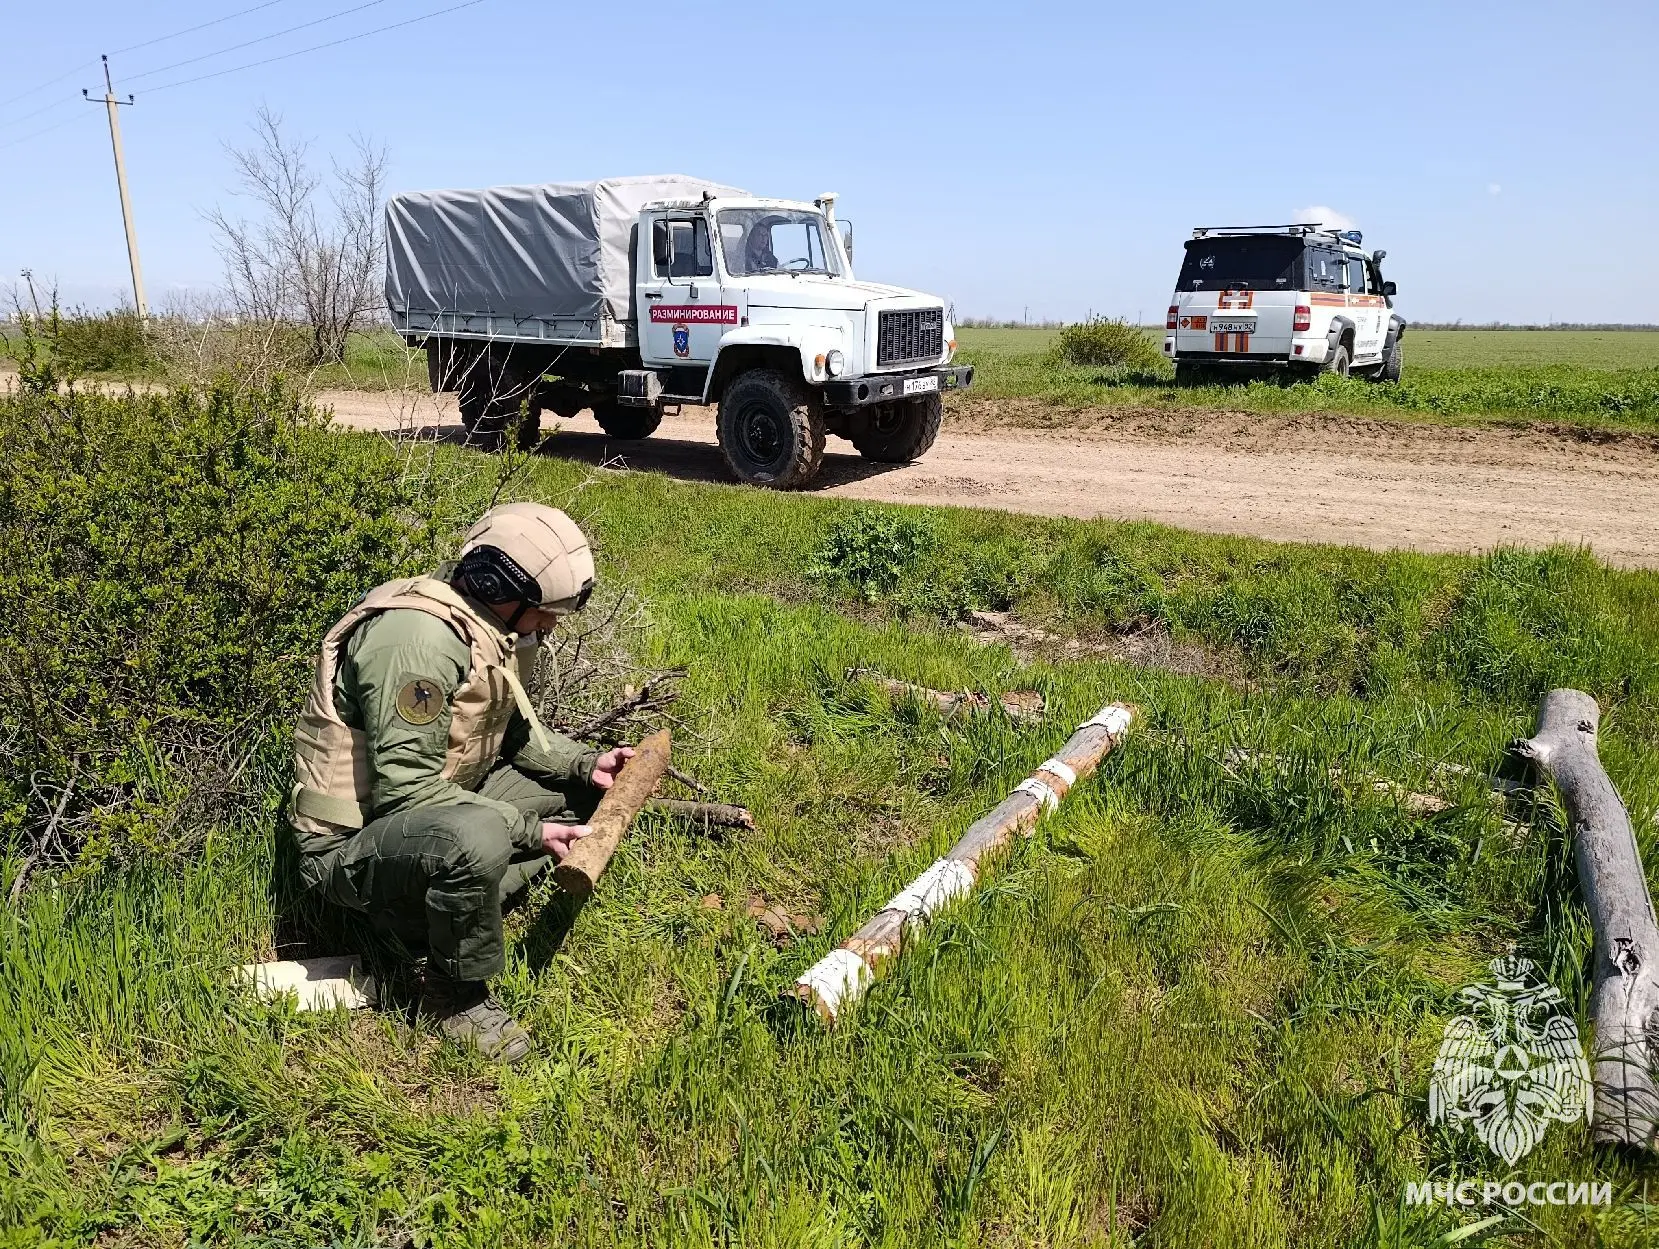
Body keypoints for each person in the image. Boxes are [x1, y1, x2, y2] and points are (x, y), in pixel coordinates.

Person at [288, 502, 632, 1063]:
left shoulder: (485, 630)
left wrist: (584, 765)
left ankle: (449, 906)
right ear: (502, 585)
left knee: (574, 798)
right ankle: (452, 993)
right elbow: (408, 791)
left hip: (420, 818)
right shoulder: (416, 643)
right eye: (546, 612)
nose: (549, 626)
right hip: (348, 848)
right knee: (476, 839)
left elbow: (512, 735)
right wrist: (526, 831)